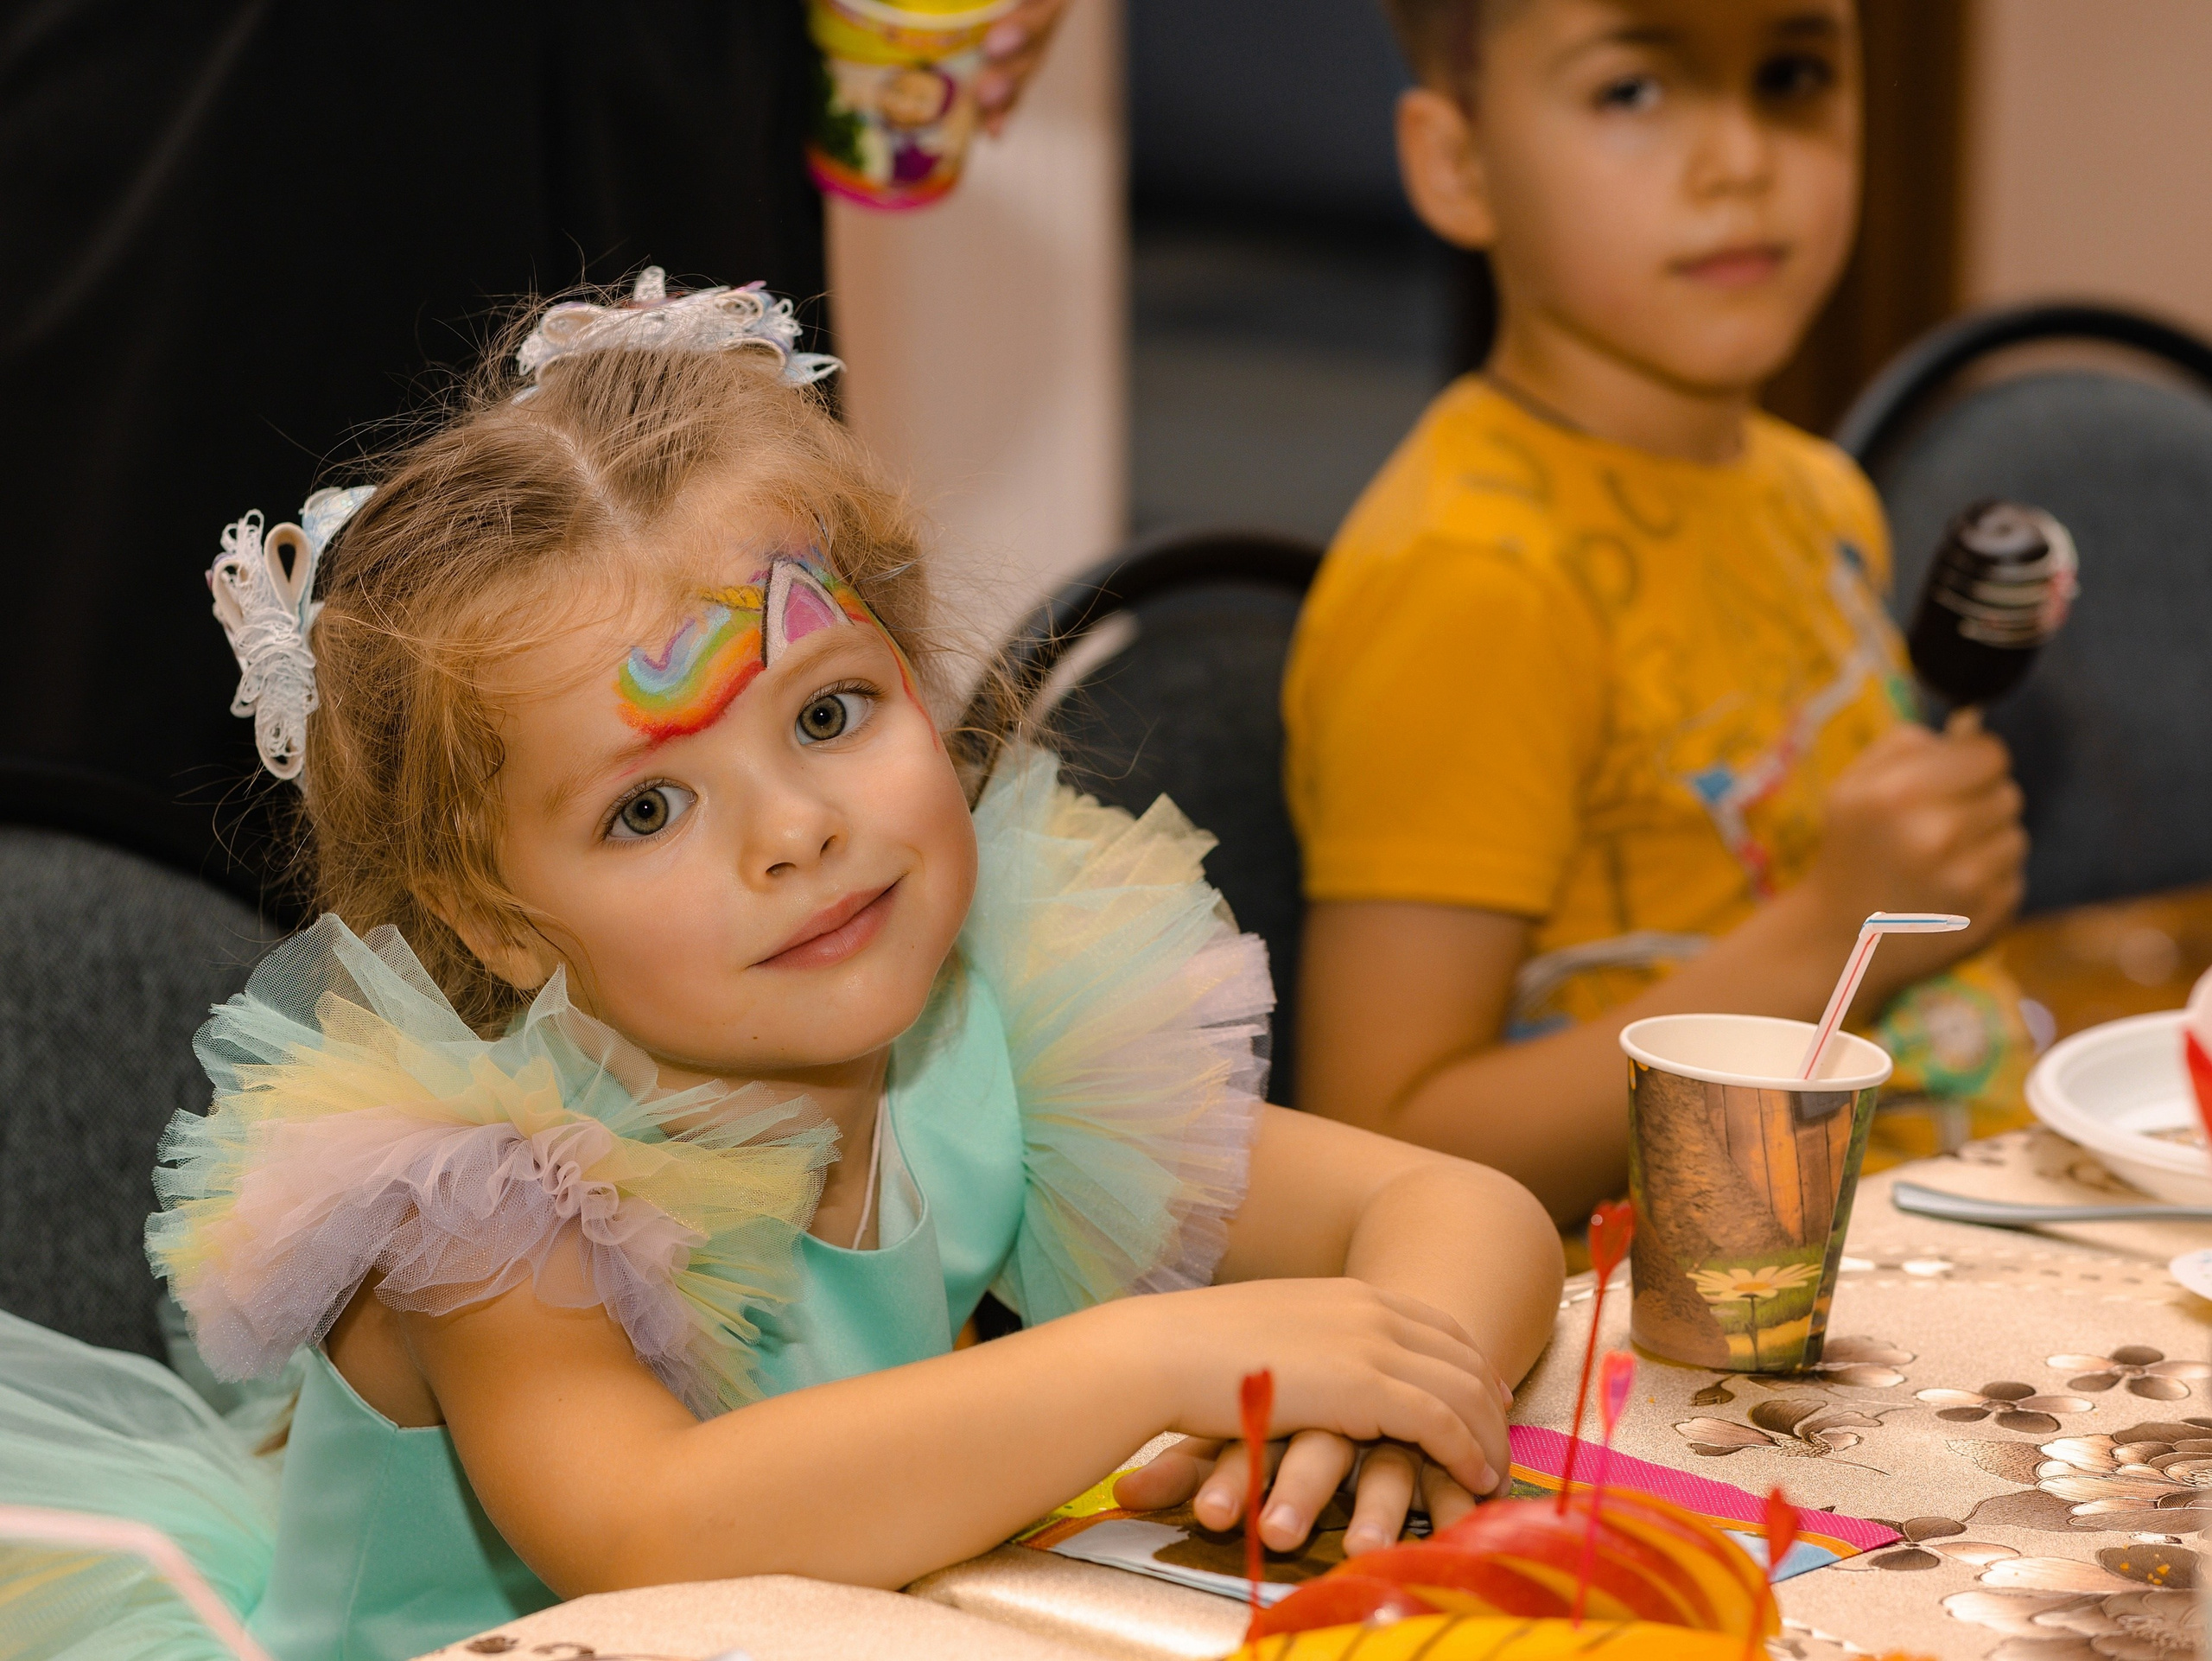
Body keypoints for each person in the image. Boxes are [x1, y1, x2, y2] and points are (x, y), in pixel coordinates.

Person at [0, 276, 1563, 1661]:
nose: (796, 833)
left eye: (826, 715)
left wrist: (1396, 1409)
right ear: (494, 919)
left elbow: (1457, 1209)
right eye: (648, 807)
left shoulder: (984, 1036)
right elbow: (655, 1534)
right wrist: (1161, 1350)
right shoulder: (502, 1196)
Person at [1282, 0, 2032, 1225]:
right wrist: (1834, 929)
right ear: (1459, 165)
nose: (1739, 161)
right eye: (1633, 90)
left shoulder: (1818, 494)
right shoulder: (1473, 577)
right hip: (1683, 1333)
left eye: (1790, 77)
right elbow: (1389, 1149)